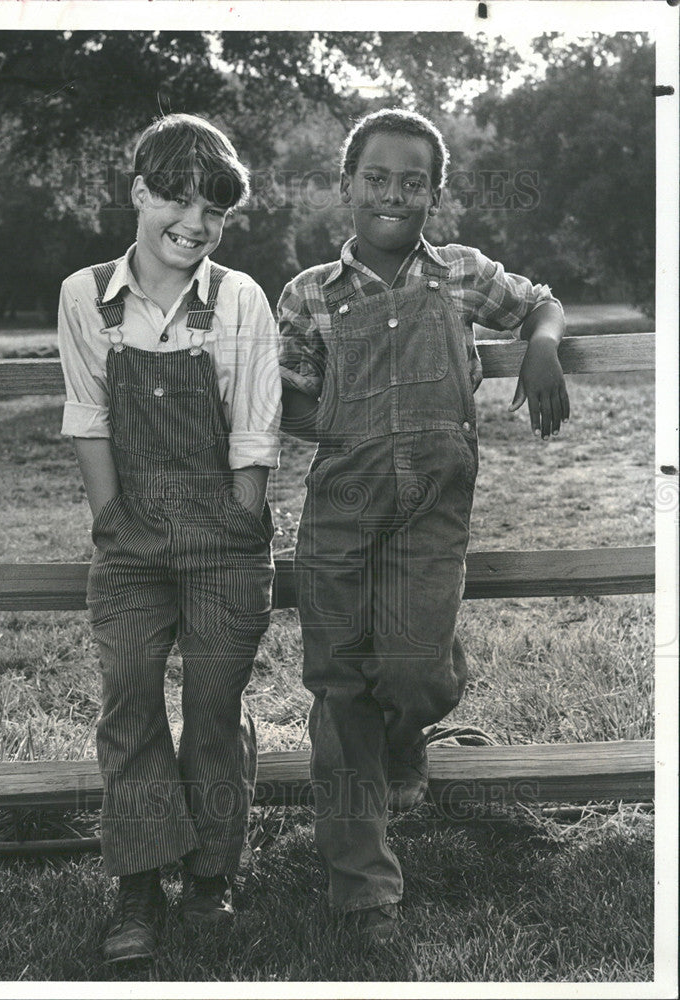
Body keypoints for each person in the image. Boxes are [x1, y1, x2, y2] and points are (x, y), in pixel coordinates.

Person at [277, 108, 570, 945]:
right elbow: (284, 402)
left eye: (413, 182)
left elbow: (541, 302)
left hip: (431, 519)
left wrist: (542, 346)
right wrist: (341, 413)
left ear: (435, 195)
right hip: (339, 513)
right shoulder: (307, 295)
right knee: (339, 693)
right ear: (346, 186)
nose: (394, 195)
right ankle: (363, 892)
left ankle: (420, 716)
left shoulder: (462, 275)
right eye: (377, 178)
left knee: (415, 676)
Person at [58, 113, 281, 962]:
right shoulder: (88, 296)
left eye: (215, 212)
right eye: (177, 201)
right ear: (139, 194)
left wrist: (237, 515)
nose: (195, 224)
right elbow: (87, 415)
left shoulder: (238, 299)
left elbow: (256, 428)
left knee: (215, 708)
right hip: (131, 541)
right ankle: (139, 885)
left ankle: (211, 876)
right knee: (130, 696)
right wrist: (114, 519)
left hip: (224, 537)